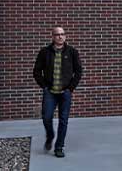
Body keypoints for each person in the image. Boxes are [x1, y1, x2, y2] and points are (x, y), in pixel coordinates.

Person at [32, 26, 83, 158]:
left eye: (62, 34)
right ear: (53, 37)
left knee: (63, 120)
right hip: (50, 92)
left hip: (65, 93)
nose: (60, 36)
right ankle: (50, 136)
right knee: (46, 117)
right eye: (57, 34)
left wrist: (70, 88)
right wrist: (44, 86)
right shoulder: (45, 52)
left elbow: (78, 71)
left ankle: (59, 146)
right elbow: (36, 71)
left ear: (65, 36)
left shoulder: (72, 52)